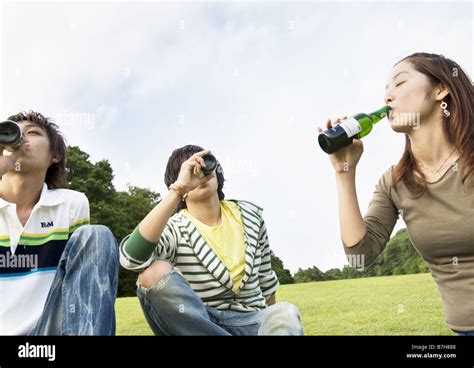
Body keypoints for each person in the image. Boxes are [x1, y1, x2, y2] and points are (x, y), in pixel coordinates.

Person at [319, 53, 473, 335]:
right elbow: (361, 258)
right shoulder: (395, 182)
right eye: (385, 89)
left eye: (400, 83)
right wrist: (344, 171)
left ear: (441, 89)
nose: (388, 96)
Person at [120, 145, 303, 335]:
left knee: (284, 312)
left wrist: (272, 323)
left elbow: (266, 283)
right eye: (190, 169)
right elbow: (131, 259)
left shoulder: (251, 217)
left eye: (204, 163)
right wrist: (179, 189)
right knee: (152, 273)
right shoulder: (174, 228)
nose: (199, 171)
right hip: (200, 324)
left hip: (252, 321)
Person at [0, 111, 119, 335]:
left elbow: (81, 280)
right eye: (13, 131)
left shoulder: (71, 204)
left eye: (33, 132)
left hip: (51, 330)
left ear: (53, 156)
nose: (21, 136)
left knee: (97, 235)